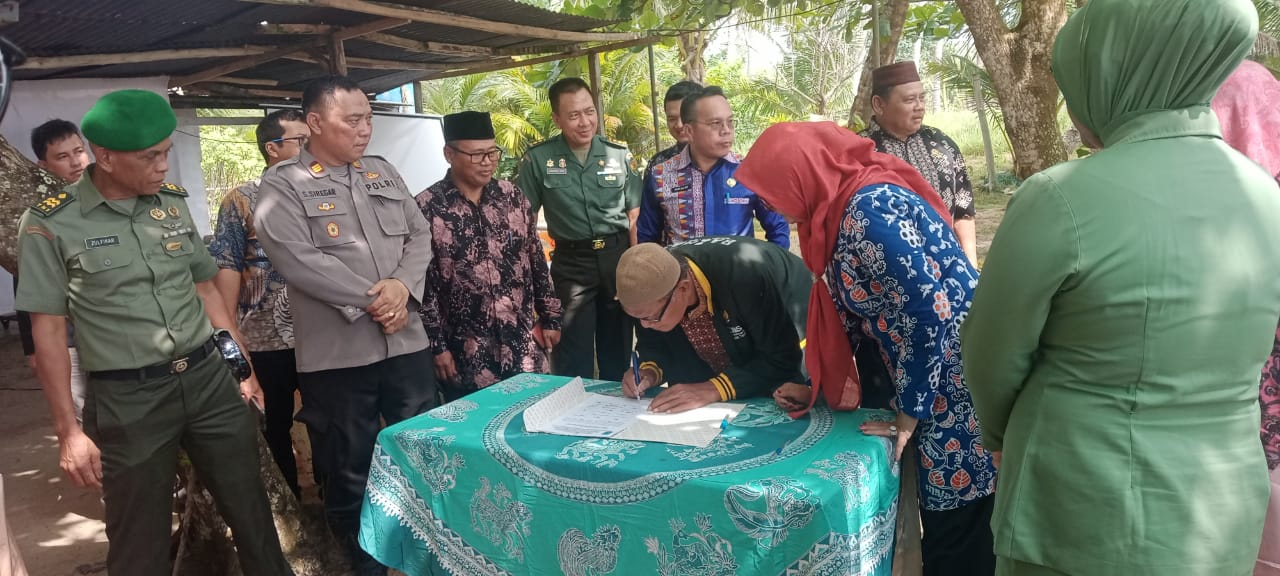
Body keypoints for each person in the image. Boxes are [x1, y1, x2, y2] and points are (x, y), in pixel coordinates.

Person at [960, 1, 1279, 574]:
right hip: (1219, 510)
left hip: (1078, 510)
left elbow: (992, 356)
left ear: (1119, 76)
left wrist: (1001, 435)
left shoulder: (1059, 197)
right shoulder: (1266, 197)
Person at [14, 89, 291, 576]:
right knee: (137, 538)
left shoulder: (171, 205)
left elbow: (206, 291)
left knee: (253, 517)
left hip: (208, 380)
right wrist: (68, 432)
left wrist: (240, 368)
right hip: (130, 398)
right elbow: (49, 332)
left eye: (166, 152)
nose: (164, 165)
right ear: (105, 157)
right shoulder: (51, 224)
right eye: (151, 156)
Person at [736, 121, 997, 576]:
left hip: (956, 375)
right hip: (928, 371)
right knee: (942, 517)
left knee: (959, 525)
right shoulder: (832, 212)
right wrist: (815, 386)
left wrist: (909, 413)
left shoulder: (867, 211)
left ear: (801, 175)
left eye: (774, 190)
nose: (772, 204)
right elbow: (856, 307)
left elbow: (929, 311)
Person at [254, 75, 436, 575]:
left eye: (369, 119)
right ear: (314, 123)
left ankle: (423, 556)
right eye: (351, 120)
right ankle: (365, 565)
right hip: (339, 357)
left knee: (420, 454)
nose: (365, 130)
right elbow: (300, 261)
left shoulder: (382, 171)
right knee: (350, 468)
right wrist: (376, 300)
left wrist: (402, 287)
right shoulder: (283, 185)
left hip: (405, 345)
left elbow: (419, 236)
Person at [416, 111, 563, 401]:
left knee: (533, 420)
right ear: (449, 154)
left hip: (522, 343)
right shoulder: (427, 206)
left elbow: (535, 259)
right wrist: (437, 346)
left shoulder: (513, 197)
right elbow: (423, 285)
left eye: (492, 153)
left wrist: (551, 318)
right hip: (465, 350)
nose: (487, 162)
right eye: (477, 155)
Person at [207, 109, 309, 497]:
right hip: (265, 338)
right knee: (275, 422)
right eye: (300, 141)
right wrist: (232, 337)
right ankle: (292, 502)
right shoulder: (243, 199)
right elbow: (228, 266)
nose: (308, 148)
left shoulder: (324, 192)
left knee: (328, 420)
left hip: (323, 335)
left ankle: (335, 504)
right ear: (272, 149)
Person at [515, 77, 641, 381]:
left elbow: (635, 219)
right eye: (573, 115)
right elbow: (522, 223)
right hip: (571, 265)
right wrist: (533, 286)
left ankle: (616, 421)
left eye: (589, 112)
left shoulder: (619, 156)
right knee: (572, 356)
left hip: (617, 259)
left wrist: (636, 273)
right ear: (557, 119)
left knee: (618, 352)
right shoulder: (538, 159)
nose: (585, 122)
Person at [617, 236, 810, 413]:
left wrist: (713, 389)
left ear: (683, 288)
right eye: (637, 317)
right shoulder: (652, 282)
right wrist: (649, 371)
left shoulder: (744, 278)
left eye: (650, 317)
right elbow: (655, 345)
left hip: (791, 324)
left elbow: (780, 358)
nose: (645, 325)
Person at [637, 86, 789, 247]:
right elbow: (647, 238)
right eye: (716, 123)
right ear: (689, 130)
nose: (726, 130)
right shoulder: (661, 175)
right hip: (681, 271)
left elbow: (778, 229)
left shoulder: (750, 172)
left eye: (730, 122)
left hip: (740, 271)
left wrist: (770, 269)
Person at [860, 61, 978, 264]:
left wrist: (971, 265)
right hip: (890, 272)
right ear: (879, 104)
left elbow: (963, 211)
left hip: (949, 266)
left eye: (922, 98)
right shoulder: (860, 152)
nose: (920, 107)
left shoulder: (942, 144)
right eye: (909, 100)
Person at [16, 119, 90, 419]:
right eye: (62, 157)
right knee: (83, 414)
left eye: (79, 151)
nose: (76, 163)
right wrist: (31, 349)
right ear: (43, 165)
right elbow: (26, 282)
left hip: (118, 339)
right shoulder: (40, 216)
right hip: (68, 340)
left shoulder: (112, 201)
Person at [644, 80, 702, 184]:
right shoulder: (658, 164)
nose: (679, 125)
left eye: (685, 116)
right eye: (672, 119)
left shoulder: (726, 163)